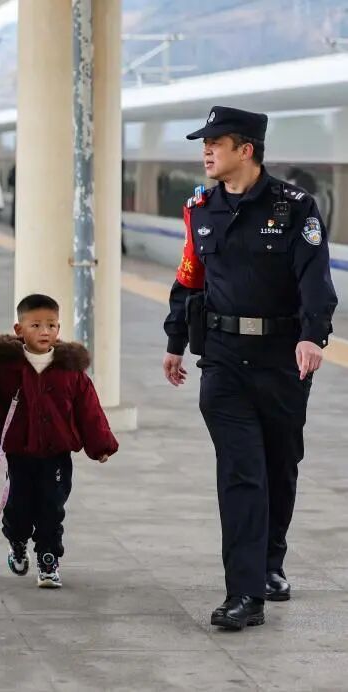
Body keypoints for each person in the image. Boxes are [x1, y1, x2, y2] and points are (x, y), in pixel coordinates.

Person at [163, 106, 338, 631]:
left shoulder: (295, 207)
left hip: (282, 361)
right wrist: (175, 341)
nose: (206, 151)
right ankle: (244, 594)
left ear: (246, 150)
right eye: (205, 143)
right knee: (241, 473)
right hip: (222, 360)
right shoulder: (199, 208)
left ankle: (269, 563)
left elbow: (315, 279)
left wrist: (312, 335)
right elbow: (189, 277)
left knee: (279, 465)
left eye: (216, 142)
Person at [0, 294, 117, 589]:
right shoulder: (3, 370)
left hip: (57, 455)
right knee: (19, 506)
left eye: (51, 325)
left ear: (59, 328)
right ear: (19, 329)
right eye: (36, 325)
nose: (44, 331)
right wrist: (2, 435)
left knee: (53, 506)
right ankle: (17, 540)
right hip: (19, 455)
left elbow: (89, 410)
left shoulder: (71, 371)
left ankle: (48, 558)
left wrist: (100, 444)